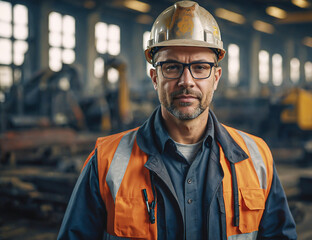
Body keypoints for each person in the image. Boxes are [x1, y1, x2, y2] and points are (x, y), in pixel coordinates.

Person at [57, 1, 297, 239]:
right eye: (172, 67)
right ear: (154, 77)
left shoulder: (257, 158)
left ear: (216, 77)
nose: (186, 81)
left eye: (200, 67)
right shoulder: (106, 162)